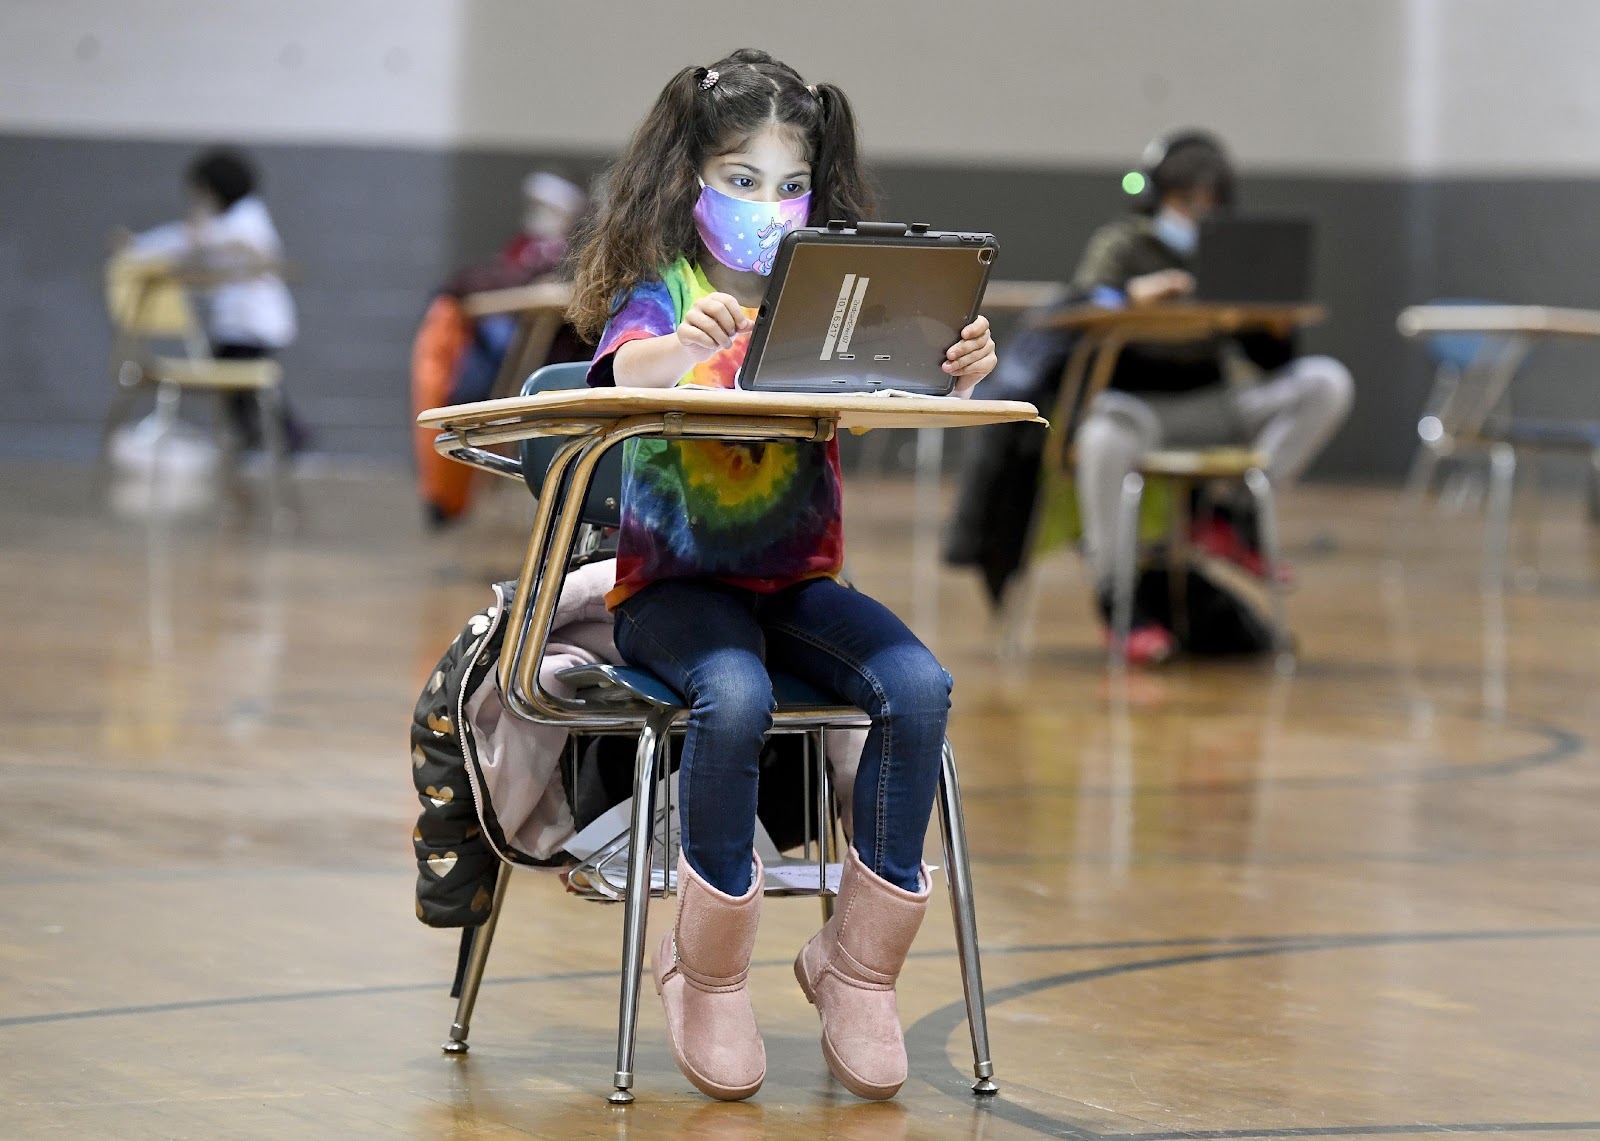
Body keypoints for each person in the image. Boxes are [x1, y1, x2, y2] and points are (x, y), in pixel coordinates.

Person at [567, 48, 996, 1102]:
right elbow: (623, 372)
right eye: (740, 180)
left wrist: (955, 363)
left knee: (916, 685)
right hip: (672, 591)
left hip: (795, 587)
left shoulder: (830, 302)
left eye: (790, 184)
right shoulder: (659, 294)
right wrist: (679, 346)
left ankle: (855, 965)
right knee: (735, 691)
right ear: (689, 183)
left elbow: (903, 385)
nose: (768, 203)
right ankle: (705, 969)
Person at [1071, 129, 1353, 664]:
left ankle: (1233, 513)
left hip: (1219, 403)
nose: (1197, 210)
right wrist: (1131, 296)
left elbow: (1271, 362)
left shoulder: (1230, 251)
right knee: (1101, 437)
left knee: (1325, 381)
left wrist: (1270, 324)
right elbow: (1075, 303)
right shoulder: (1124, 244)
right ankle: (1119, 602)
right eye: (1185, 198)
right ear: (1159, 194)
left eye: (1208, 200)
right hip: (1141, 407)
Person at [121, 147, 305, 451]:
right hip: (239, 327)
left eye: (200, 192)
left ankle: (281, 438)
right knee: (247, 394)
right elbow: (183, 241)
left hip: (251, 326)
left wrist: (190, 225)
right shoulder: (230, 222)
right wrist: (141, 245)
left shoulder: (245, 219)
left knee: (250, 391)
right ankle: (269, 437)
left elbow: (204, 242)